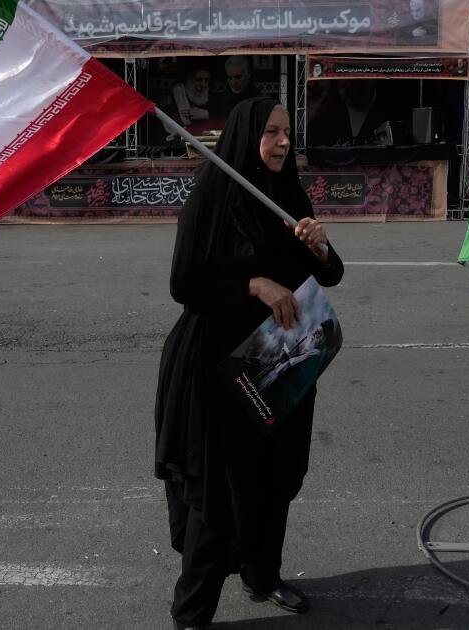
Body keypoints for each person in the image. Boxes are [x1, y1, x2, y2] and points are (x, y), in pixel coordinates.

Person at [155, 97, 344, 630]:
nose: (283, 142)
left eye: (287, 132)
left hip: (283, 359)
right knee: (218, 493)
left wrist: (321, 248)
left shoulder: (288, 193)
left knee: (275, 477)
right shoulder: (212, 195)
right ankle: (192, 613)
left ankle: (262, 576)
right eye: (270, 132)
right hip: (219, 365)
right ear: (244, 136)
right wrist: (253, 284)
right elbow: (184, 282)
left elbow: (330, 274)